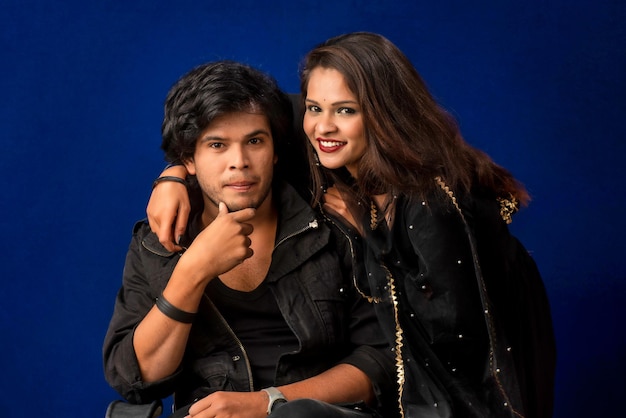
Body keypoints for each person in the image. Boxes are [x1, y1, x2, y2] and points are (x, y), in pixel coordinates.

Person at [146, 33, 557, 418]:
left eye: (346, 110)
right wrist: (174, 175)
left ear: (384, 113)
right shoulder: (320, 145)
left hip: (480, 379)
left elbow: (448, 348)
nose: (323, 127)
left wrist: (371, 235)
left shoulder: (431, 205)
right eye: (314, 108)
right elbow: (228, 123)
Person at [103, 60, 397, 418]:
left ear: (276, 151)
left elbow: (380, 361)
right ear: (188, 158)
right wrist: (193, 271)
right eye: (217, 145)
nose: (239, 161)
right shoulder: (159, 241)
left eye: (254, 141)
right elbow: (137, 379)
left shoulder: (334, 224)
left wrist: (268, 403)